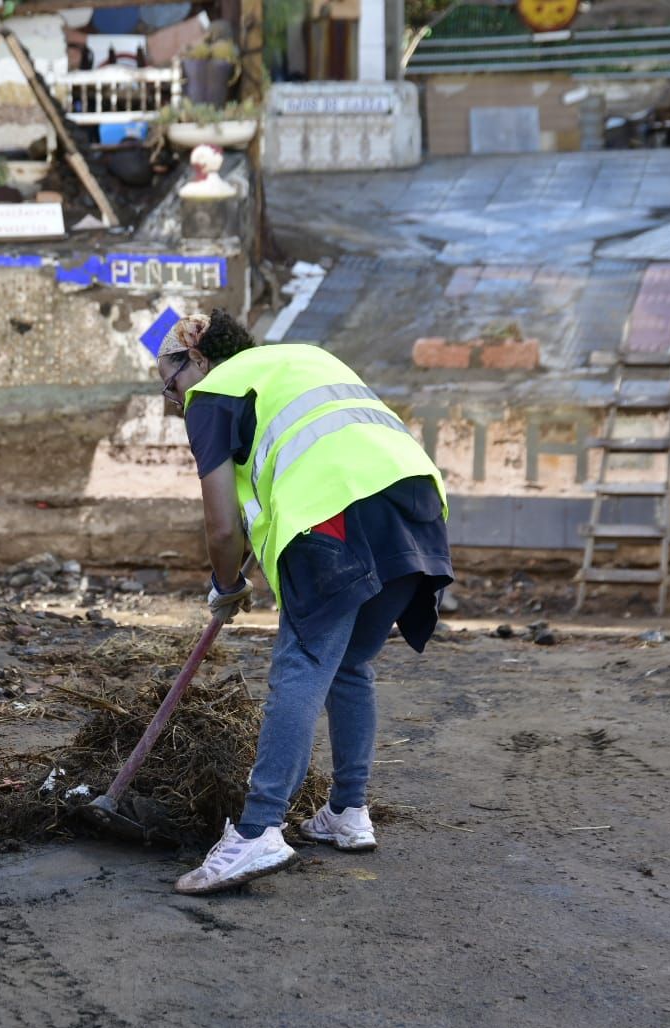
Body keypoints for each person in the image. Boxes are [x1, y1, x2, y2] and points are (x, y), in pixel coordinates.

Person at [157, 309, 453, 896]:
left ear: (195, 359)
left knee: (301, 664)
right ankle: (347, 812)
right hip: (416, 506)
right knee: (348, 665)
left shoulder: (212, 393)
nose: (171, 400)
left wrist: (226, 585)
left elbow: (221, 529)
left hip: (338, 515)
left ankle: (259, 829)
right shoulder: (302, 360)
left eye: (168, 384)